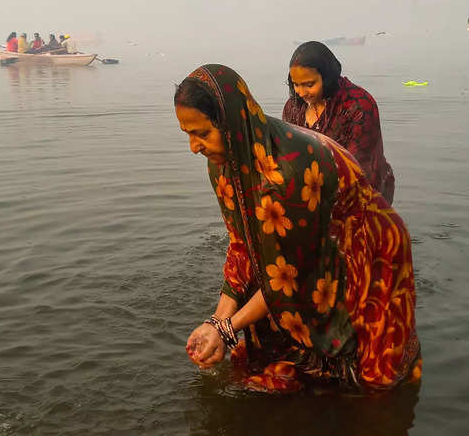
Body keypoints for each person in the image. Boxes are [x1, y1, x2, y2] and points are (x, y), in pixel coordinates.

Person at [176, 64, 420, 393]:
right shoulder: (223, 164)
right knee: (277, 351)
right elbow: (241, 244)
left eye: (202, 134)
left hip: (364, 239)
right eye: (188, 135)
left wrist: (227, 330)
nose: (194, 147)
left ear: (232, 124)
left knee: (374, 376)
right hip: (314, 241)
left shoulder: (287, 172)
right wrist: (217, 320)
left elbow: (292, 273)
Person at [282, 41, 395, 204]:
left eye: (309, 84)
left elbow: (358, 169)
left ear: (327, 78)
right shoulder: (293, 107)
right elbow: (287, 155)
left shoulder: (358, 106)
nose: (301, 93)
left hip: (363, 196)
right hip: (312, 195)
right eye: (296, 84)